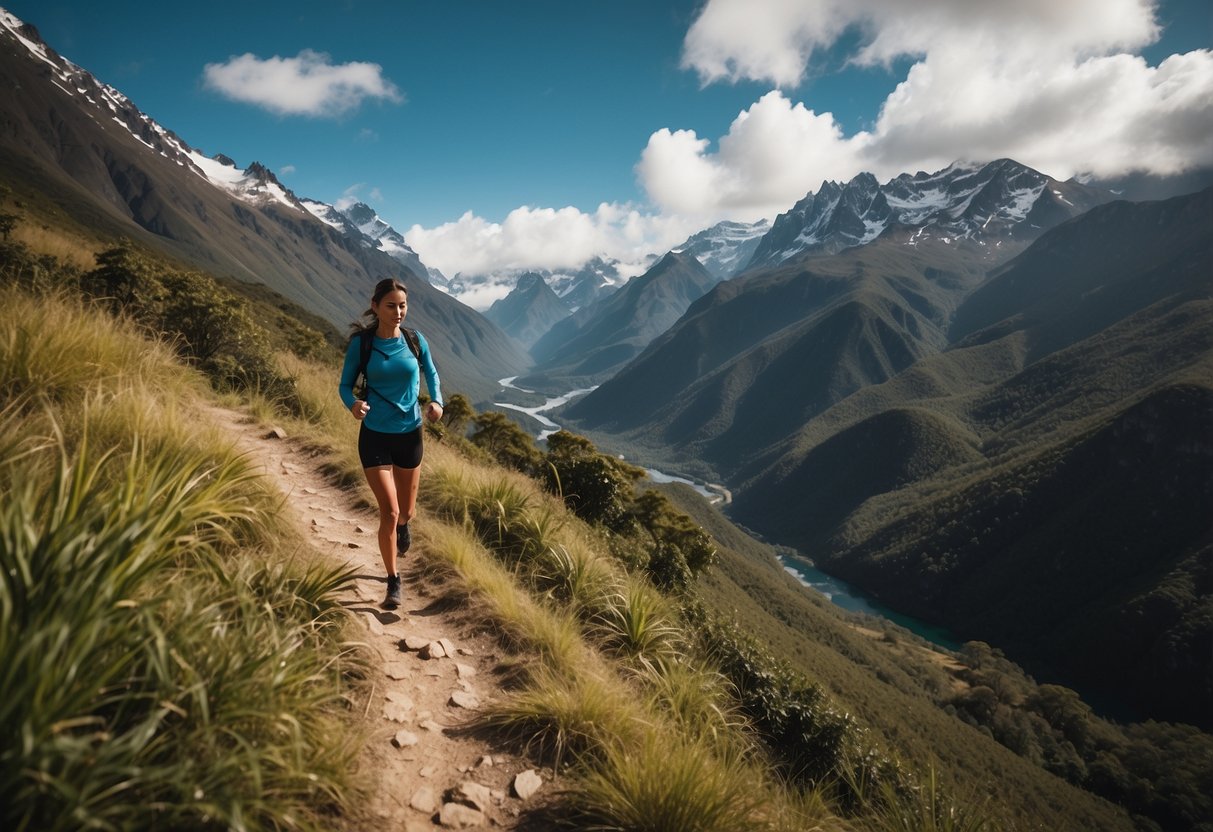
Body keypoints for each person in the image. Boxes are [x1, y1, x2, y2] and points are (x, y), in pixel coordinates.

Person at [339, 278, 444, 609]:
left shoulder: (415, 340)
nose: (398, 312)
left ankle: (404, 527)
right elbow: (344, 385)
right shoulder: (362, 344)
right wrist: (353, 405)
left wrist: (437, 401)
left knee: (407, 512)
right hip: (374, 435)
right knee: (390, 509)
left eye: (402, 306)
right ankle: (393, 581)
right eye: (391, 305)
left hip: (410, 432)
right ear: (375, 307)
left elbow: (432, 372)